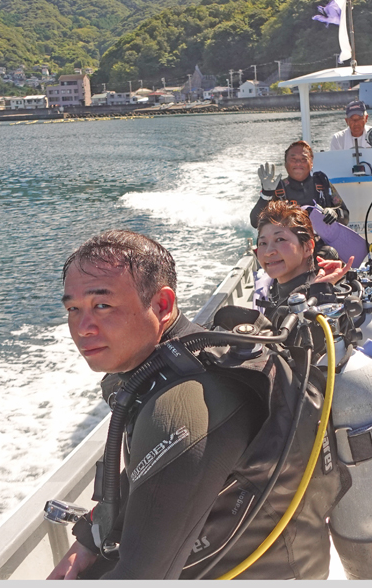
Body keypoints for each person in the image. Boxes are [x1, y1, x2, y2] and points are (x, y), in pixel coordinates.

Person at [49, 229, 343, 580]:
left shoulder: (180, 407)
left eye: (102, 305)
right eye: (73, 309)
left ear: (162, 305)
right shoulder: (186, 358)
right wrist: (87, 540)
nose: (83, 327)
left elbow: (141, 578)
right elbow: (153, 469)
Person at [253, 200, 353, 323]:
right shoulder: (273, 292)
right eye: (263, 243)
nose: (268, 252)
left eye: (280, 239)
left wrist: (322, 291)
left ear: (307, 247)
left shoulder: (323, 294)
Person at [250, 141, 348, 260]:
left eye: (303, 159)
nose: (298, 162)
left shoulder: (323, 184)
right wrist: (266, 194)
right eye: (293, 159)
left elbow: (346, 216)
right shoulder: (277, 189)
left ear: (311, 163)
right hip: (287, 251)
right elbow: (255, 222)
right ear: (285, 164)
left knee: (330, 253)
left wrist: (334, 213)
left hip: (320, 248)